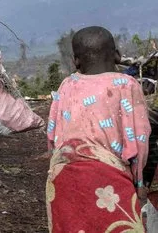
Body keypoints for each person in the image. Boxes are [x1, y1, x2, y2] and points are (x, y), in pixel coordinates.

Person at [45, 26, 150, 232]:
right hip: (108, 177)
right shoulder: (126, 85)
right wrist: (137, 183)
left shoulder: (66, 85)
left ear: (76, 60)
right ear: (117, 55)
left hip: (64, 177)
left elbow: (52, 135)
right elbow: (139, 140)